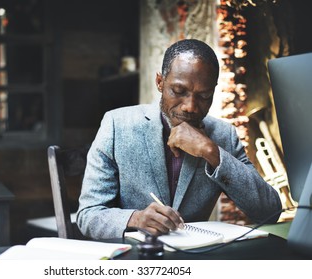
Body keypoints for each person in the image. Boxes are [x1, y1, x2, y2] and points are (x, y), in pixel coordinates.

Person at [76, 39, 282, 239]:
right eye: (178, 91)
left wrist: (211, 152)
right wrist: (135, 218)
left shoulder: (223, 135)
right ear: (160, 82)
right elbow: (88, 215)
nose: (190, 107)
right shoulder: (117, 125)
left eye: (204, 96)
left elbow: (269, 212)